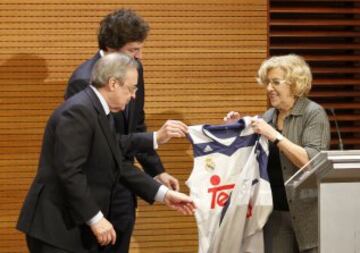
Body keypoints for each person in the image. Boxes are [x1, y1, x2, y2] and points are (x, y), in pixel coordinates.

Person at [17, 52, 195, 253]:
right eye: (131, 88)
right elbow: (70, 172)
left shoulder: (100, 111)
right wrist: (96, 218)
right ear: (113, 84)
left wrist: (165, 195)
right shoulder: (78, 111)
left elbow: (118, 163)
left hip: (70, 227)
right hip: (55, 229)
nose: (134, 95)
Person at [64, 9, 181, 252]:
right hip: (95, 190)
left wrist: (156, 171)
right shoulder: (83, 82)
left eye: (140, 49)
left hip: (125, 185)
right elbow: (100, 146)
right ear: (110, 48)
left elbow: (137, 124)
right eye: (133, 50)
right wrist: (156, 138)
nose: (139, 56)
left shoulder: (133, 69)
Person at [224, 54, 330, 253]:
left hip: (308, 215)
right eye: (267, 83)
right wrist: (236, 128)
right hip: (274, 215)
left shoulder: (313, 113)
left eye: (275, 82)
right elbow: (252, 158)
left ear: (294, 83)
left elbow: (313, 162)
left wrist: (274, 135)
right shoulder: (269, 116)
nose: (269, 88)